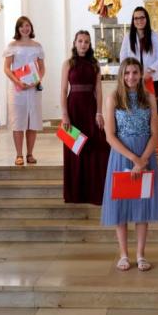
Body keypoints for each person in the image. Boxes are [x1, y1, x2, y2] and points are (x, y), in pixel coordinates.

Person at [100, 58, 158, 272]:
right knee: (121, 206)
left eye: (135, 72)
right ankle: (124, 255)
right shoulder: (113, 98)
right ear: (121, 75)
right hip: (122, 155)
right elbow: (109, 135)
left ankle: (141, 254)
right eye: (127, 73)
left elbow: (155, 134)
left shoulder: (150, 98)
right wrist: (135, 160)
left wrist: (143, 159)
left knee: (142, 206)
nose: (131, 77)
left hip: (145, 154)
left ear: (141, 74)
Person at [60, 30, 110, 205]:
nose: (83, 44)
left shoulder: (94, 64)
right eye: (80, 41)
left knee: (99, 146)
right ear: (75, 43)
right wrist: (65, 115)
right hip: (73, 109)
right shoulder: (68, 63)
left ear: (90, 45)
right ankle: (76, 193)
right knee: (75, 149)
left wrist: (99, 112)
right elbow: (63, 91)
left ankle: (95, 191)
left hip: (90, 108)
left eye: (86, 42)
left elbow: (99, 90)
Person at [3, 16, 45, 166]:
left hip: (33, 88)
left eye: (27, 26)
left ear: (31, 28)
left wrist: (36, 80)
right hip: (17, 89)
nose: (25, 28)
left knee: (32, 121)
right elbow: (7, 68)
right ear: (18, 29)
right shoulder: (12, 46)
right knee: (18, 121)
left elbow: (42, 68)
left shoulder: (37, 46)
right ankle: (19, 154)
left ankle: (30, 154)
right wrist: (17, 81)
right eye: (22, 26)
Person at [119, 7, 158, 94]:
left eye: (142, 17)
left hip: (151, 77)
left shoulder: (154, 36)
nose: (139, 20)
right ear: (133, 21)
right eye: (136, 18)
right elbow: (123, 58)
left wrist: (149, 72)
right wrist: (129, 73)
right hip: (132, 79)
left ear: (146, 19)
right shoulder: (128, 37)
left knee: (151, 105)